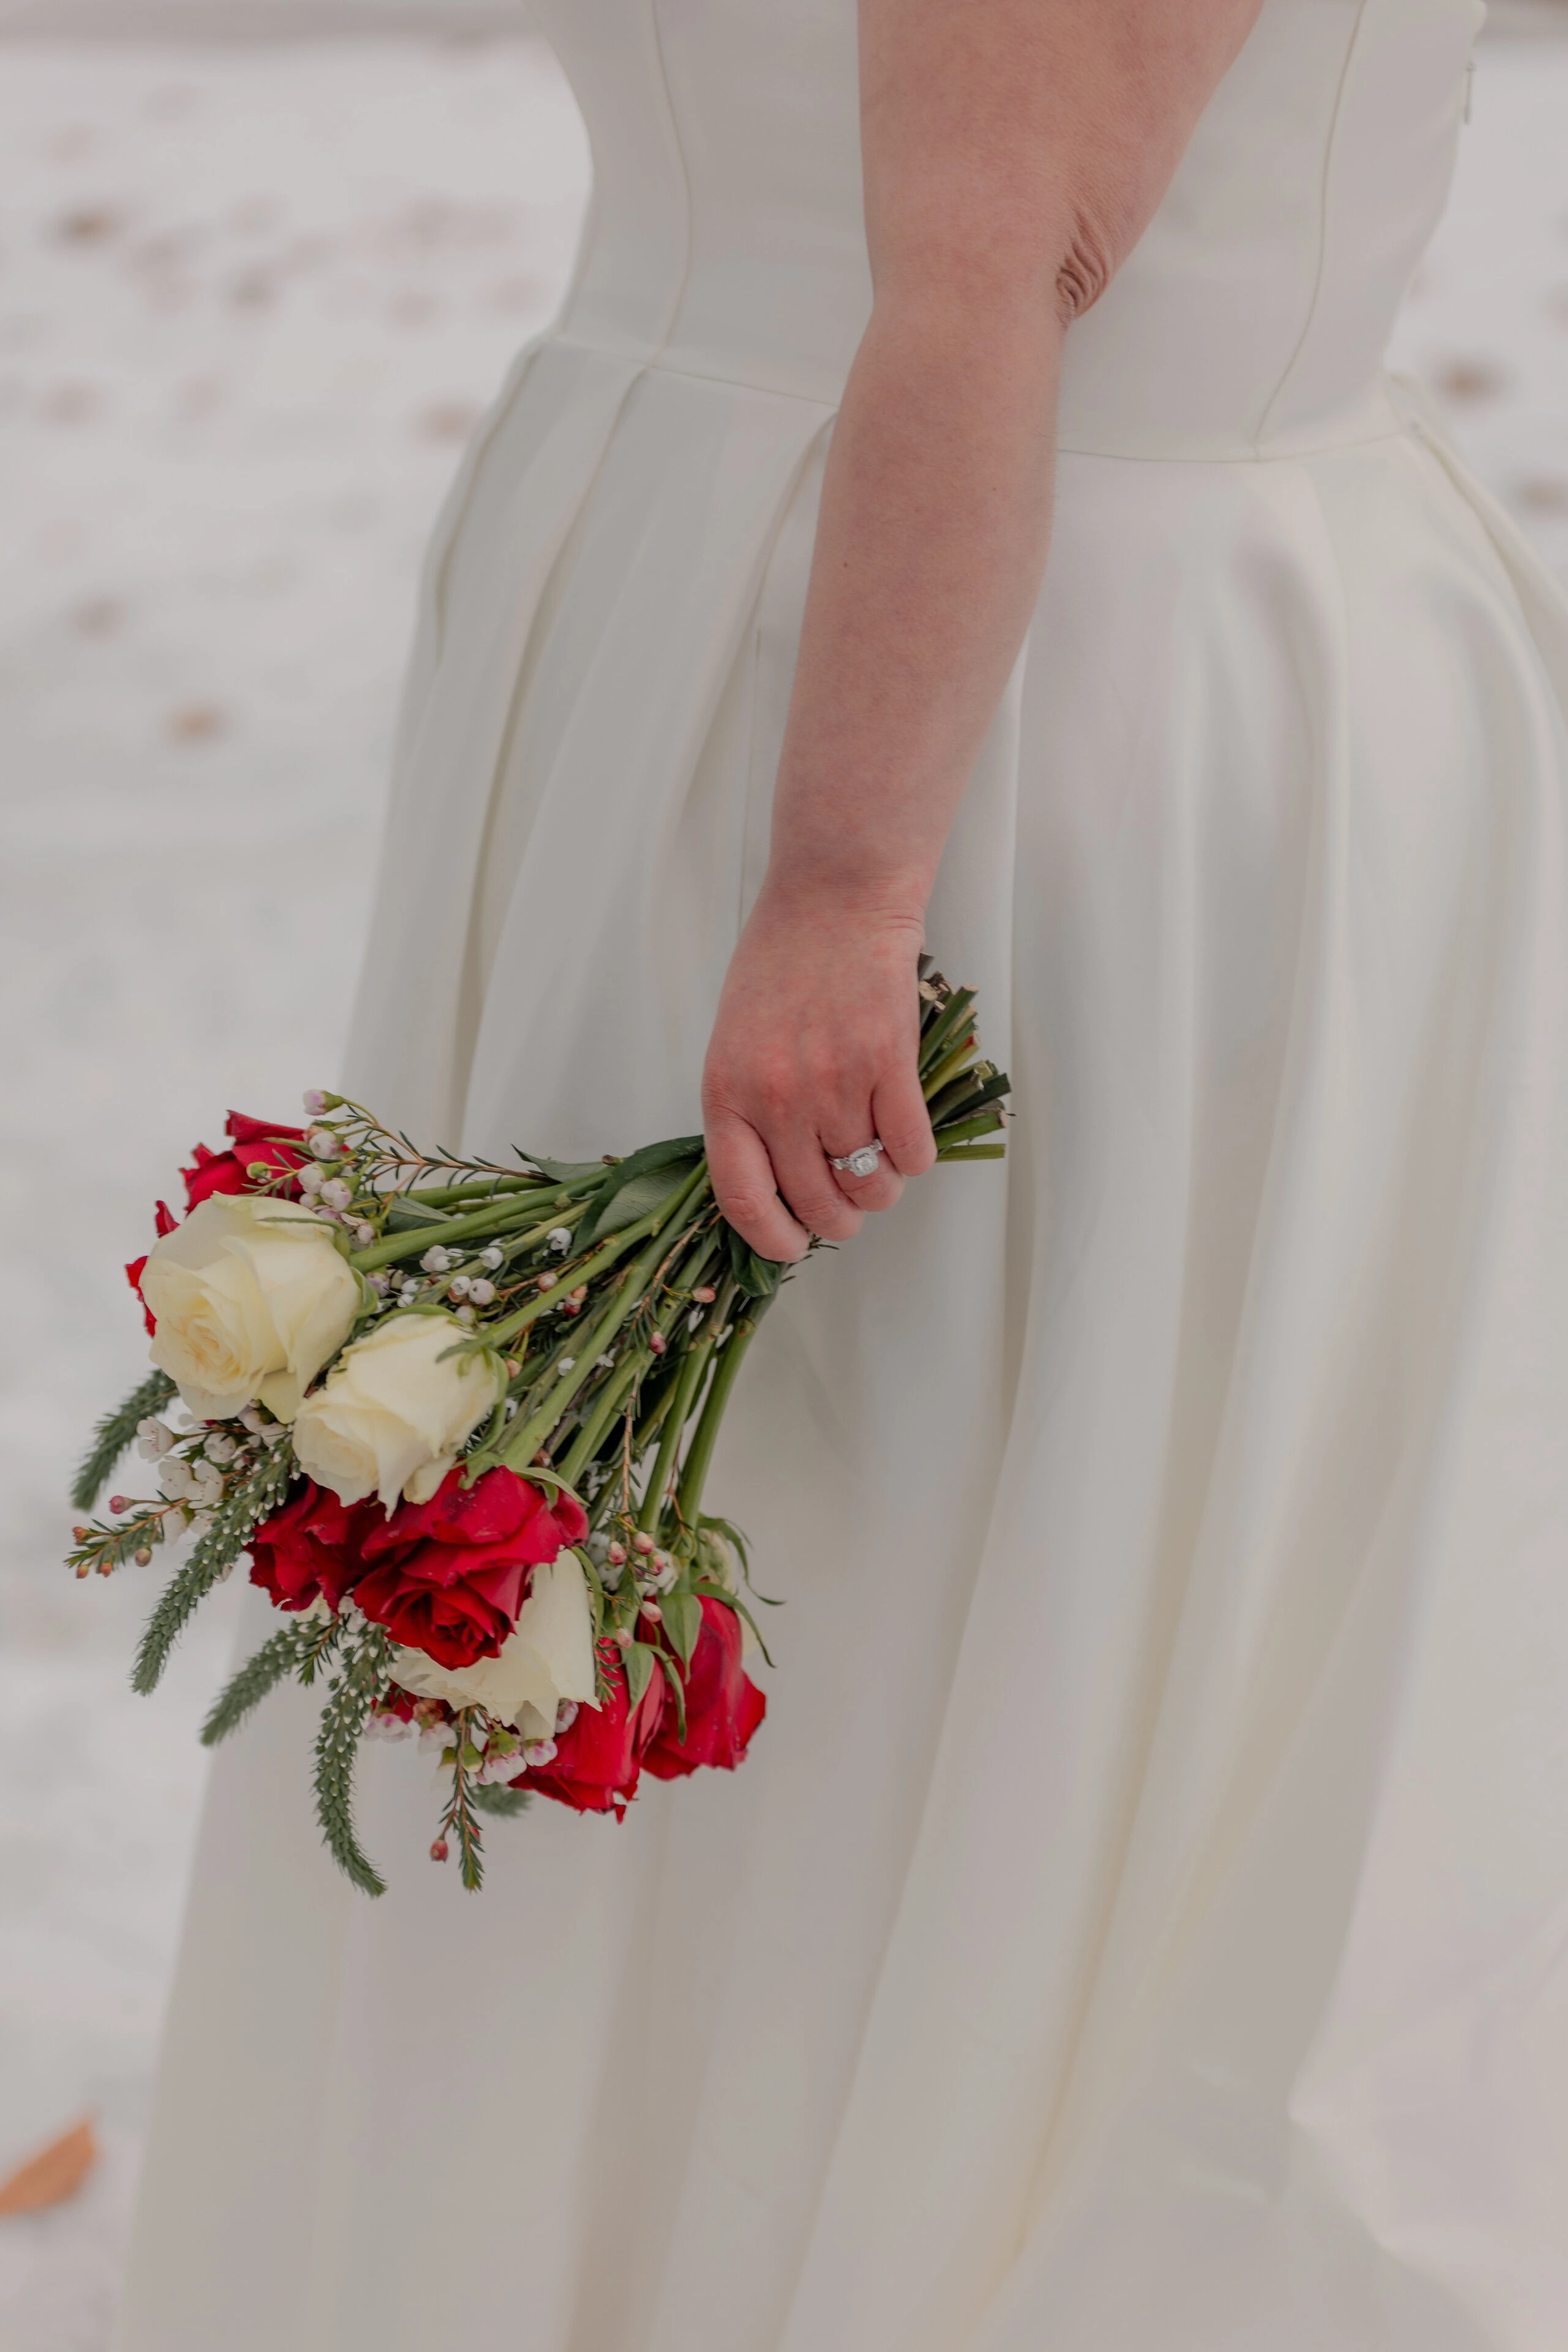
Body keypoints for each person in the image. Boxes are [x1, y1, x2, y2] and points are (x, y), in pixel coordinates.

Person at [116, 2, 1568, 2345]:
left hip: (990, 684)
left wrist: (845, 877)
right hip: (760, 606)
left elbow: (1001, 256)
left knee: (907, 1560)